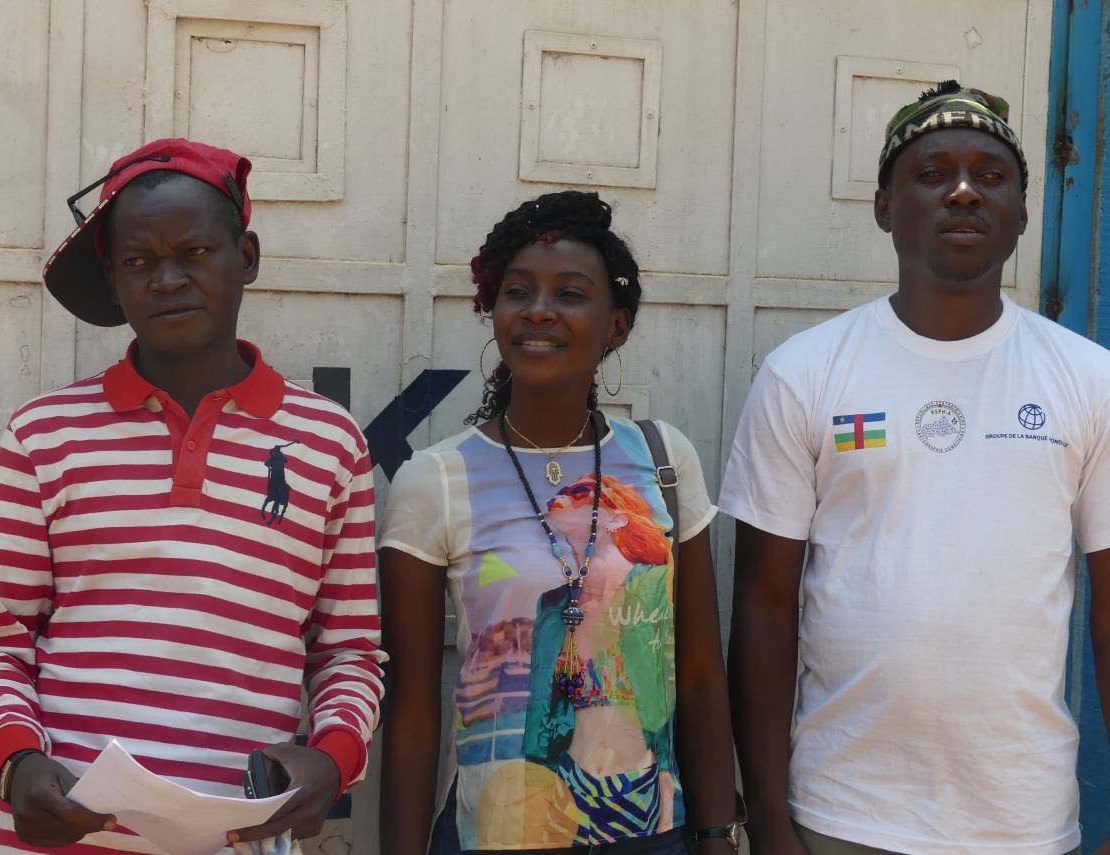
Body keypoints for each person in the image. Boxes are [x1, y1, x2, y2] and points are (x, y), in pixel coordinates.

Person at [720, 81, 1110, 855]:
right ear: (884, 207)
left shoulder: (1088, 379)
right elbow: (763, 607)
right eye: (933, 173)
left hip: (1022, 819)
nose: (964, 191)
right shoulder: (806, 372)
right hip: (839, 814)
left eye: (991, 176)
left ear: (1023, 213)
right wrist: (767, 817)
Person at [0, 139, 385, 852]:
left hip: (233, 835)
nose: (167, 279)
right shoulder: (43, 435)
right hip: (56, 837)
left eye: (194, 252)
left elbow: (348, 650)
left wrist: (332, 758)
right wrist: (16, 763)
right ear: (114, 276)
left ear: (245, 257)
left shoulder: (330, 443)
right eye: (138, 261)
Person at [379, 191, 742, 854]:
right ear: (494, 309)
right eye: (518, 291)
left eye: (570, 293)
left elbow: (697, 674)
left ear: (616, 325)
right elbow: (410, 710)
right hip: (498, 828)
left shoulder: (663, 459)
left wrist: (717, 833)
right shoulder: (434, 480)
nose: (539, 310)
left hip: (651, 833)